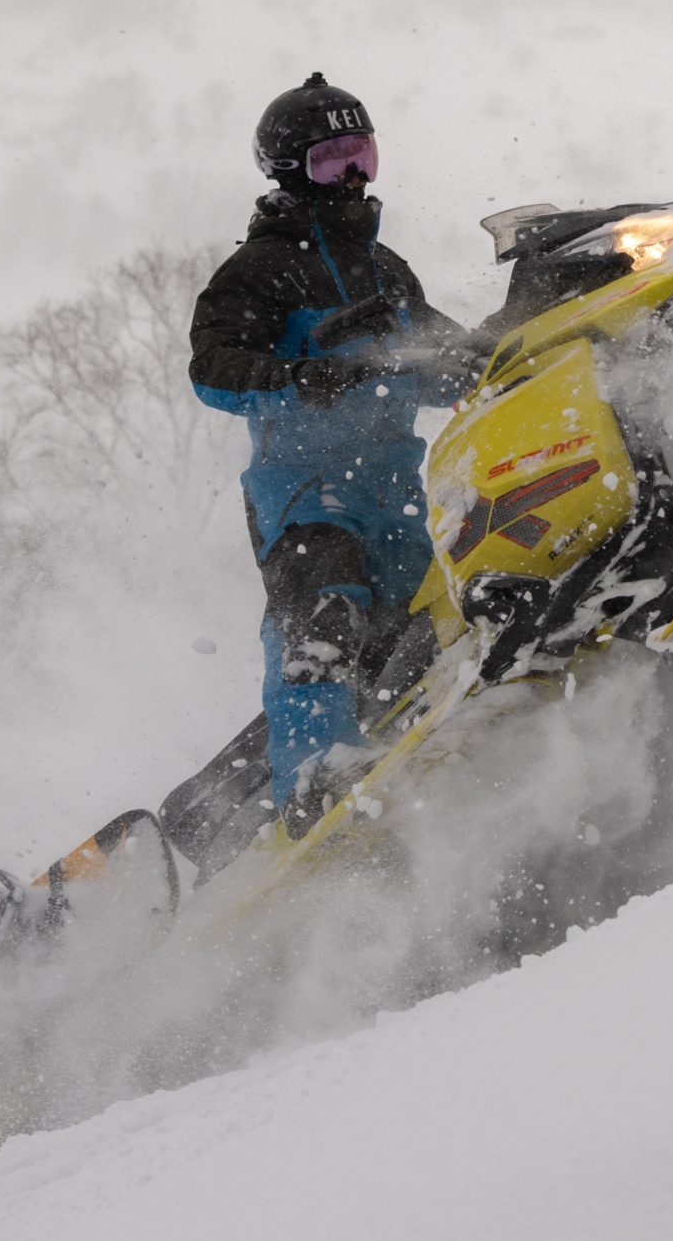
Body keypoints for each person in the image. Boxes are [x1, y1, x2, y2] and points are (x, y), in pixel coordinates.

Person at [189, 73, 478, 829]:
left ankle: (416, 756)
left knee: (425, 627)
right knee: (325, 613)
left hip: (392, 492)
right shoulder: (259, 269)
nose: (351, 174)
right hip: (303, 488)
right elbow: (213, 369)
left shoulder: (390, 275)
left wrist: (516, 351)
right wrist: (295, 376)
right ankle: (314, 780)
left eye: (363, 154)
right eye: (330, 159)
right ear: (291, 172)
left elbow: (453, 361)